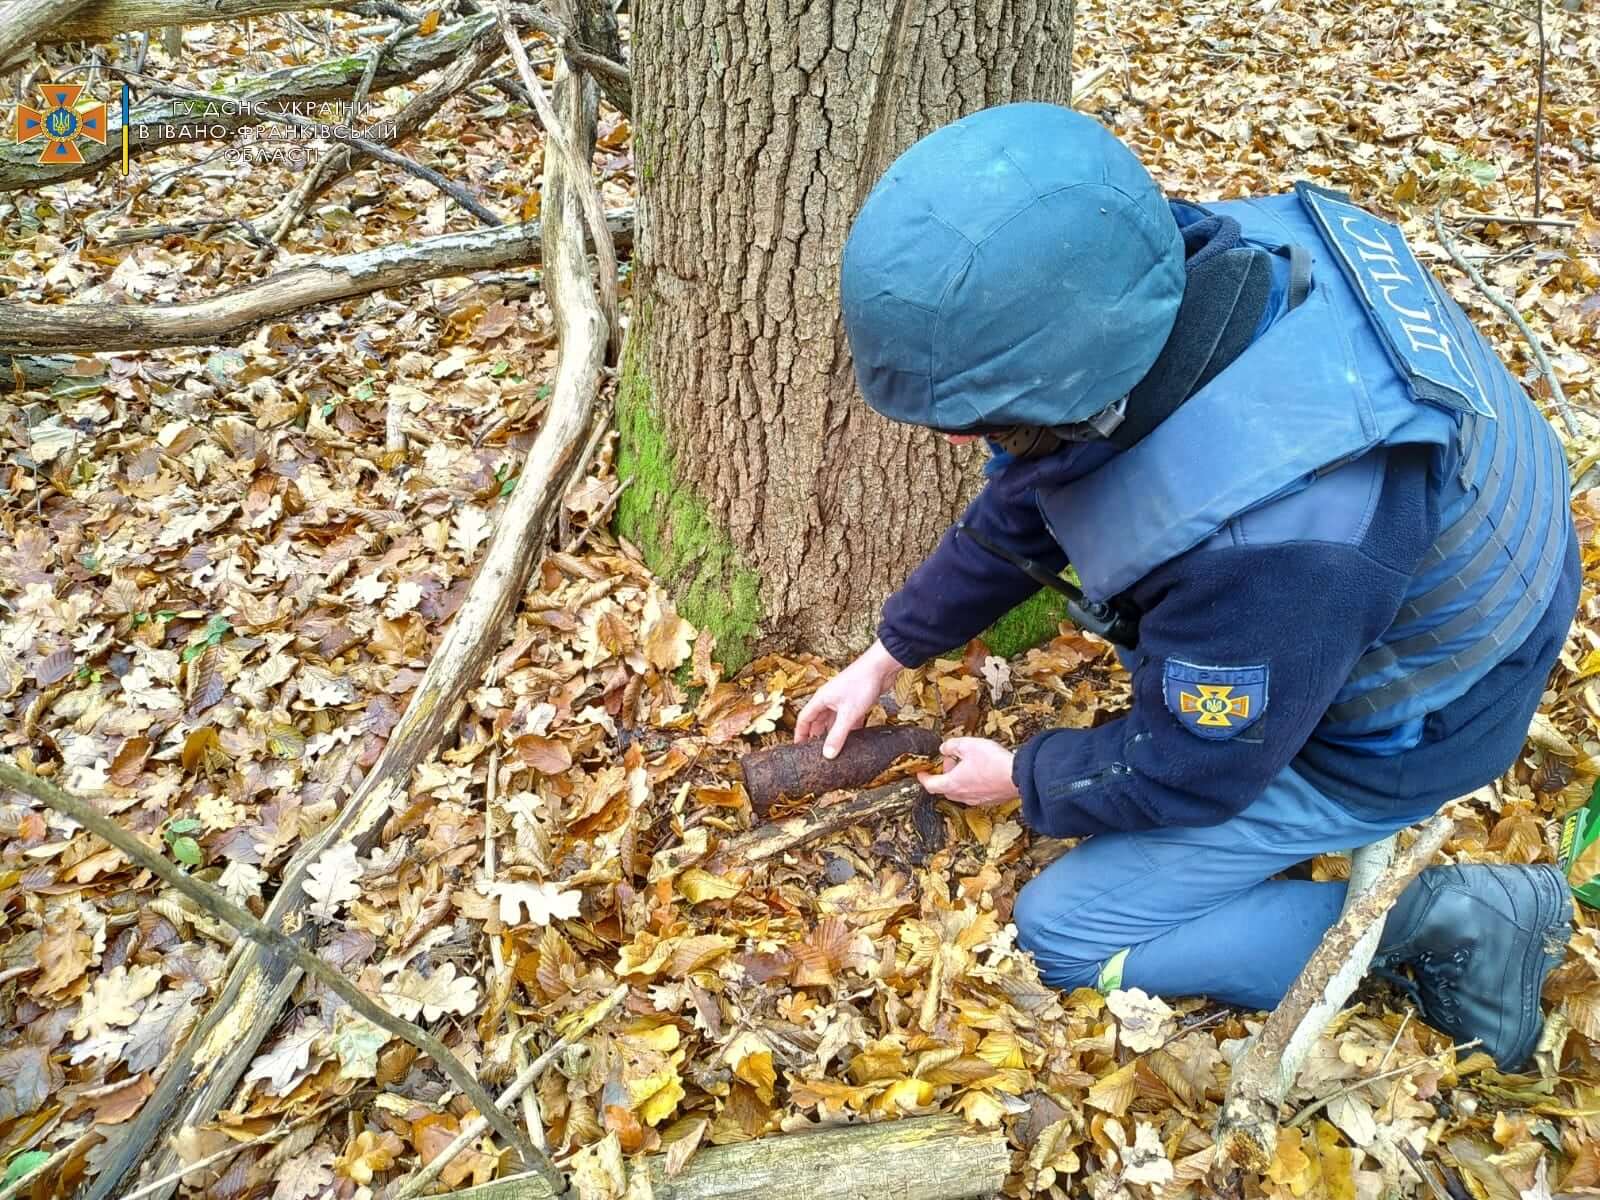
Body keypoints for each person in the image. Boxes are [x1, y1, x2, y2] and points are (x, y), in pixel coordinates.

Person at [793, 102, 1578, 1070]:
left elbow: (1194, 767)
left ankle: (1440, 921)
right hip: (1440, 569)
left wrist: (1025, 778)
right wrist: (889, 651)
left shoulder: (1279, 546)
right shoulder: (1167, 269)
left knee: (1063, 931)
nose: (959, 442)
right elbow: (1040, 495)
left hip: (1427, 718)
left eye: (972, 422)